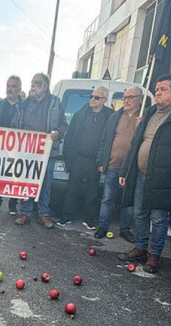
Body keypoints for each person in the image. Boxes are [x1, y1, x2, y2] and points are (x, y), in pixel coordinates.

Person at [119, 74, 171, 273]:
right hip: (141, 173)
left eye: (163, 89)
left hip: (164, 177)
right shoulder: (150, 112)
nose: (157, 93)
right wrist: (126, 169)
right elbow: (136, 142)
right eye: (157, 89)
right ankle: (141, 247)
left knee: (158, 218)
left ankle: (154, 255)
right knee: (139, 213)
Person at [13, 73, 66, 228]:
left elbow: (63, 125)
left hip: (48, 152)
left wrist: (58, 133)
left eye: (37, 83)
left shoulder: (55, 102)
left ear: (45, 86)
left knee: (46, 184)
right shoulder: (24, 104)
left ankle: (43, 214)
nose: (33, 86)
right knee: (27, 182)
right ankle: (24, 212)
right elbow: (15, 124)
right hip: (28, 152)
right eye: (32, 82)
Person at [58, 86, 113, 228]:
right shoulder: (80, 114)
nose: (92, 99)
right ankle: (66, 217)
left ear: (104, 100)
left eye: (97, 97)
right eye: (92, 96)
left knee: (93, 192)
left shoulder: (110, 116)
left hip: (95, 161)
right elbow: (69, 137)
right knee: (71, 190)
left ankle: (90, 220)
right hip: (78, 158)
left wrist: (103, 161)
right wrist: (68, 160)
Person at [95, 86, 142, 241]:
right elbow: (104, 139)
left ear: (140, 99)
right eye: (124, 97)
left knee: (127, 201)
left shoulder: (144, 118)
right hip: (113, 165)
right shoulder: (115, 116)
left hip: (132, 168)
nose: (126, 100)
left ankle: (125, 229)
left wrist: (141, 126)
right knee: (107, 198)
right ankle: (102, 227)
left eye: (130, 97)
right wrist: (101, 160)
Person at [0, 75, 24, 214]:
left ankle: (13, 204)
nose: (10, 89)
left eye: (13, 86)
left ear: (19, 89)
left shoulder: (24, 106)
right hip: (0, 148)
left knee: (15, 176)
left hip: (18, 149)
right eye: (8, 86)